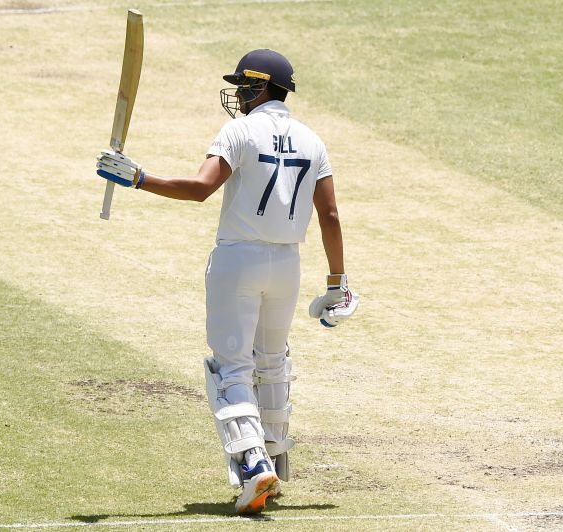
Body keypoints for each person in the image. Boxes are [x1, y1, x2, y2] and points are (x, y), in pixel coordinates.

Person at [96, 49, 359, 514]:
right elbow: (331, 215)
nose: (237, 94)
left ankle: (255, 465)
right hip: (288, 267)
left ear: (262, 88)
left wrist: (139, 178)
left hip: (239, 259)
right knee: (272, 363)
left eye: (243, 86)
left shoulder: (239, 131)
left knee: (231, 368)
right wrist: (337, 281)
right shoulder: (313, 140)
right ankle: (274, 454)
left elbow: (200, 189)